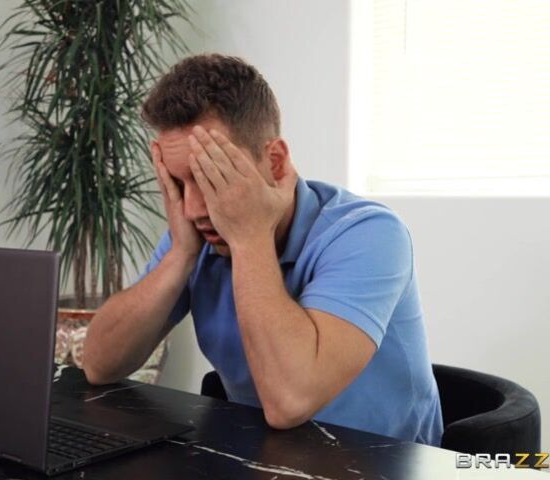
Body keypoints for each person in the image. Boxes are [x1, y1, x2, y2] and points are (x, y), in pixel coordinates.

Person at [83, 53, 444, 446]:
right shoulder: (197, 233)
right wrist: (180, 255)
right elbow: (99, 364)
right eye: (179, 184)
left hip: (388, 461)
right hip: (270, 456)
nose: (192, 209)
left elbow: (290, 402)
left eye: (213, 177)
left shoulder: (370, 234)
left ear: (274, 162)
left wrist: (250, 236)